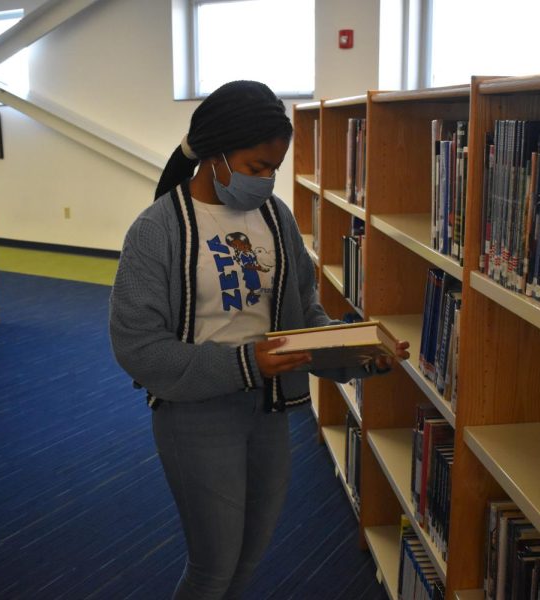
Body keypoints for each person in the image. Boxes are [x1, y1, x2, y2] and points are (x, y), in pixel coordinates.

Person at [109, 80, 408, 600]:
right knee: (213, 566)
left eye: (275, 168)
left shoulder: (276, 218)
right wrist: (245, 364)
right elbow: (137, 347)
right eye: (255, 168)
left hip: (271, 409)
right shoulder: (158, 229)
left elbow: (304, 315)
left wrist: (357, 352)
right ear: (214, 156)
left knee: (249, 556)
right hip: (196, 415)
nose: (266, 180)